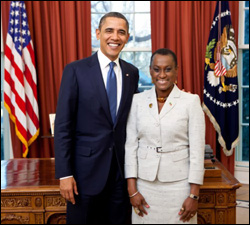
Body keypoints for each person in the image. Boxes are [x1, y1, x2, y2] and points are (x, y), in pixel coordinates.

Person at [54, 12, 139, 224]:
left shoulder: (132, 73)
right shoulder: (75, 70)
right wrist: (64, 174)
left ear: (127, 37)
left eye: (121, 32)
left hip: (120, 175)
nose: (115, 37)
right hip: (84, 175)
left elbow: (131, 119)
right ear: (98, 33)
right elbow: (63, 126)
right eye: (109, 31)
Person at [125, 48, 205, 224]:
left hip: (179, 186)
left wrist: (194, 195)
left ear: (176, 70)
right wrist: (132, 190)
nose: (162, 74)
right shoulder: (137, 101)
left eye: (168, 69)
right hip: (144, 187)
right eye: (157, 69)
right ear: (150, 71)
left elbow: (197, 153)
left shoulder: (191, 102)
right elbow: (130, 147)